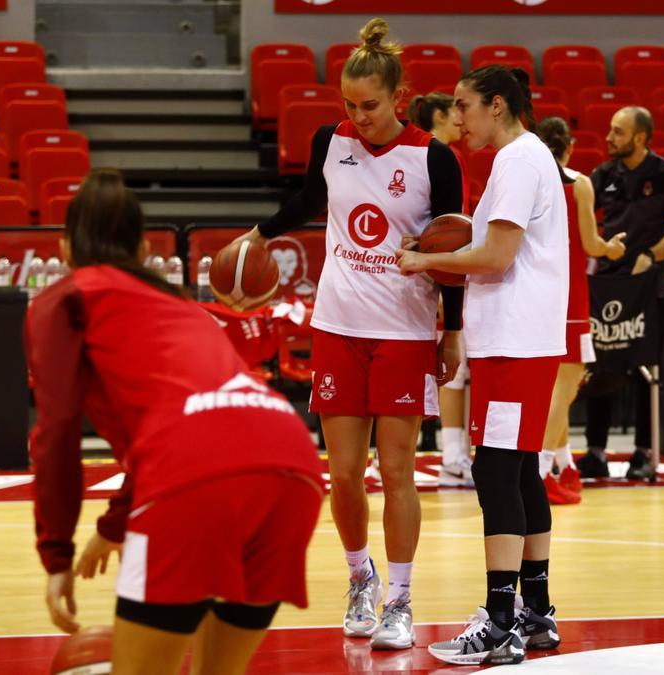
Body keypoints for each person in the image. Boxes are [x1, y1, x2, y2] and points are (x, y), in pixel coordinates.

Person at [26, 170, 323, 675]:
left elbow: (55, 433)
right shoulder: (182, 305)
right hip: (293, 461)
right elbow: (190, 416)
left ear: (65, 249)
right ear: (143, 250)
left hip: (192, 477)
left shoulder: (64, 299)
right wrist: (117, 523)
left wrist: (56, 555)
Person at [233, 18, 465, 652]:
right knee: (341, 475)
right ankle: (359, 578)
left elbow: (449, 250)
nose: (358, 116)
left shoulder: (432, 157)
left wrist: (452, 331)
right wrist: (260, 233)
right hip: (337, 323)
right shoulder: (330, 141)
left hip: (404, 330)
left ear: (398, 98)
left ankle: (401, 598)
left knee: (397, 471)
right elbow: (309, 198)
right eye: (349, 105)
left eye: (370, 105)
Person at [397, 64, 568, 667]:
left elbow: (496, 255)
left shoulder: (518, 161)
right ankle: (537, 613)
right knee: (519, 472)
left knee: (497, 475)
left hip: (515, 342)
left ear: (497, 105)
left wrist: (424, 264)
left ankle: (499, 624)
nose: (458, 117)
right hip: (521, 340)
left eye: (465, 105)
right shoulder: (526, 157)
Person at [581, 106, 664, 481]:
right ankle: (595, 451)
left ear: (639, 138)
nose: (609, 138)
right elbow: (580, 216)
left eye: (618, 132)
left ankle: (643, 452)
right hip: (608, 283)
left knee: (646, 371)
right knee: (600, 368)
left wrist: (649, 255)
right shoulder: (602, 174)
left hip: (647, 286)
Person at [534, 117, 627, 504]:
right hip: (568, 294)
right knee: (565, 388)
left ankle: (563, 463)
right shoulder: (579, 183)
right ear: (569, 146)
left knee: (551, 389)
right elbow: (590, 243)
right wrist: (613, 249)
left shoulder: (530, 181)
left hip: (533, 292)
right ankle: (538, 474)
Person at [407, 91, 473, 488]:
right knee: (417, 368)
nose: (462, 120)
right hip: (422, 273)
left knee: (452, 370)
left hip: (445, 270)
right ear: (438, 115)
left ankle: (452, 454)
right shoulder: (423, 156)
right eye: (456, 112)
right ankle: (403, 454)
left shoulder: (453, 158)